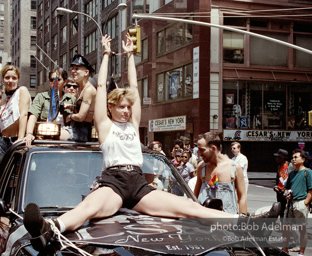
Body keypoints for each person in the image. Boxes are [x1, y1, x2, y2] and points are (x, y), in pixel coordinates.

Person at [23, 35, 278, 251]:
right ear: (110, 108)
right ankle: (49, 230)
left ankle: (247, 225)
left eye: (128, 107)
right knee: (89, 207)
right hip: (113, 183)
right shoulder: (104, 125)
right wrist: (106, 54)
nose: (125, 110)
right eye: (120, 106)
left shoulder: (133, 124)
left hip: (138, 185)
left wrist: (130, 55)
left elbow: (134, 86)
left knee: (188, 206)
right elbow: (100, 85)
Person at [0, 65, 31, 160]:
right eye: (7, 77)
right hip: (3, 143)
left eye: (14, 78)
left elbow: (24, 114)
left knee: (18, 173)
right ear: (3, 79)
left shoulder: (22, 91)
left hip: (16, 140)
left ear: (18, 80)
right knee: (4, 174)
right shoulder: (1, 103)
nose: (10, 80)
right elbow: (0, 128)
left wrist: (20, 138)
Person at [194, 132, 247, 214]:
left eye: (202, 150)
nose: (199, 154)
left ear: (213, 148)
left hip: (227, 222)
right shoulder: (201, 167)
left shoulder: (234, 167)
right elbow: (195, 196)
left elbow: (242, 197)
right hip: (203, 222)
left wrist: (242, 221)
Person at [24, 68, 75, 146]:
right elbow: (33, 116)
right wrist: (29, 134)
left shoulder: (71, 99)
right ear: (49, 82)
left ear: (65, 82)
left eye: (58, 80)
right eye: (52, 80)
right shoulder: (41, 97)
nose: (55, 82)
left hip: (65, 142)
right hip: (45, 140)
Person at [283, 149, 312, 256]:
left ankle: (301, 252)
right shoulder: (292, 173)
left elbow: (311, 189)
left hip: (301, 203)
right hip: (290, 204)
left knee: (302, 229)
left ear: (303, 159)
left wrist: (305, 203)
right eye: (292, 158)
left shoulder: (308, 172)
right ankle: (284, 250)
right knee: (286, 228)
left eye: (296, 157)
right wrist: (287, 193)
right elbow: (286, 188)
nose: (293, 159)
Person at [66, 54, 97, 142]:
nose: (73, 71)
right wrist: (70, 107)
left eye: (77, 69)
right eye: (73, 68)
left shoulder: (89, 90)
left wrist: (70, 116)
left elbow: (81, 117)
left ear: (86, 72)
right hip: (78, 129)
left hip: (82, 132)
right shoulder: (82, 89)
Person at [273, 149, 290, 219]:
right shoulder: (279, 166)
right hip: (279, 191)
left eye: (277, 157)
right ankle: (282, 224)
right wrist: (276, 186)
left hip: (287, 192)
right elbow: (278, 178)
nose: (276, 158)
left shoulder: (290, 166)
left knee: (288, 209)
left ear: (282, 158)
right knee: (280, 209)